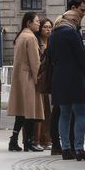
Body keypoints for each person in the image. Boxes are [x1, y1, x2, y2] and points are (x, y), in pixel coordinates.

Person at [48, 9, 85, 161]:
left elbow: (50, 57)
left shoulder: (53, 34)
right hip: (74, 77)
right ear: (75, 20)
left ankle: (66, 149)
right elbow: (81, 57)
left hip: (59, 78)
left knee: (64, 114)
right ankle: (79, 149)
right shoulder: (72, 33)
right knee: (80, 114)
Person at [7, 12, 45, 151]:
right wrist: (39, 80)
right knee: (30, 111)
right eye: (36, 21)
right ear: (29, 22)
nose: (38, 23)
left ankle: (14, 140)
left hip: (19, 77)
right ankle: (28, 142)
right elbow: (35, 62)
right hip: (28, 77)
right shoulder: (31, 38)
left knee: (22, 112)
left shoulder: (20, 36)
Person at [35, 18, 54, 149]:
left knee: (48, 112)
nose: (48, 30)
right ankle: (41, 138)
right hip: (41, 80)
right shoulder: (37, 42)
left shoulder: (52, 42)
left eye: (50, 27)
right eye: (45, 27)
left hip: (50, 80)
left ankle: (47, 138)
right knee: (43, 111)